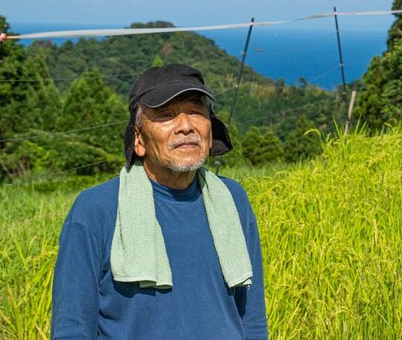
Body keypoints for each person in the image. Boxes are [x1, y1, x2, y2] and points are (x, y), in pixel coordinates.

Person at [51, 64, 268, 339]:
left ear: (210, 131)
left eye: (196, 112)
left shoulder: (232, 199)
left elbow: (252, 318)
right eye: (165, 116)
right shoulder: (96, 210)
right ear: (138, 139)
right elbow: (72, 329)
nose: (186, 126)